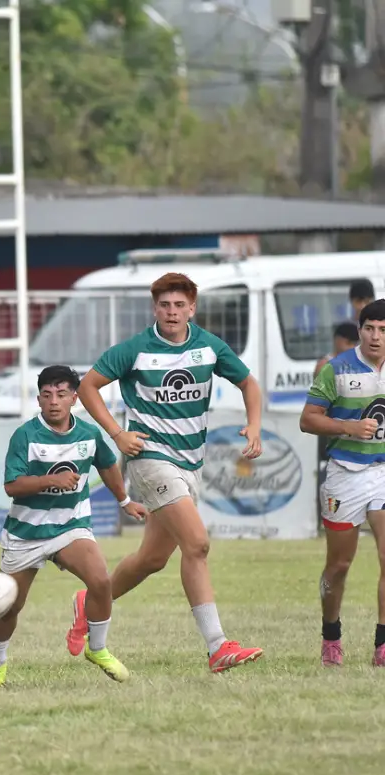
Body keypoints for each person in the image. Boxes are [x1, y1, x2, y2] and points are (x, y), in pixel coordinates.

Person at [71, 272, 266, 673]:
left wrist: (255, 424)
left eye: (179, 305)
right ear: (154, 308)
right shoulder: (136, 349)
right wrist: (118, 433)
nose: (172, 312)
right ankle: (217, 646)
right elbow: (87, 386)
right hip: (150, 458)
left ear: (192, 308)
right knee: (197, 544)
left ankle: (88, 600)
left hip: (190, 462)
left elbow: (249, 382)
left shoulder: (209, 347)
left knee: (151, 559)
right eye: (164, 305)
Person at [0, 365, 148, 689]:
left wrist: (124, 500)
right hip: (26, 533)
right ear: (38, 399)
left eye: (61, 395)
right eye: (47, 395)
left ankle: (98, 648)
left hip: (70, 526)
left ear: (74, 398)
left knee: (101, 580)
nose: (54, 402)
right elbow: (12, 486)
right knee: (9, 608)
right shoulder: (26, 436)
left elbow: (106, 466)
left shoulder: (88, 434)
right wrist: (52, 480)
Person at [300, 299, 385, 667]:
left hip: (382, 472)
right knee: (339, 566)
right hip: (345, 474)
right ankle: (330, 633)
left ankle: (382, 645)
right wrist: (348, 426)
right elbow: (308, 420)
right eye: (370, 328)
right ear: (360, 328)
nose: (376, 337)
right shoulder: (337, 369)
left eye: (383, 330)